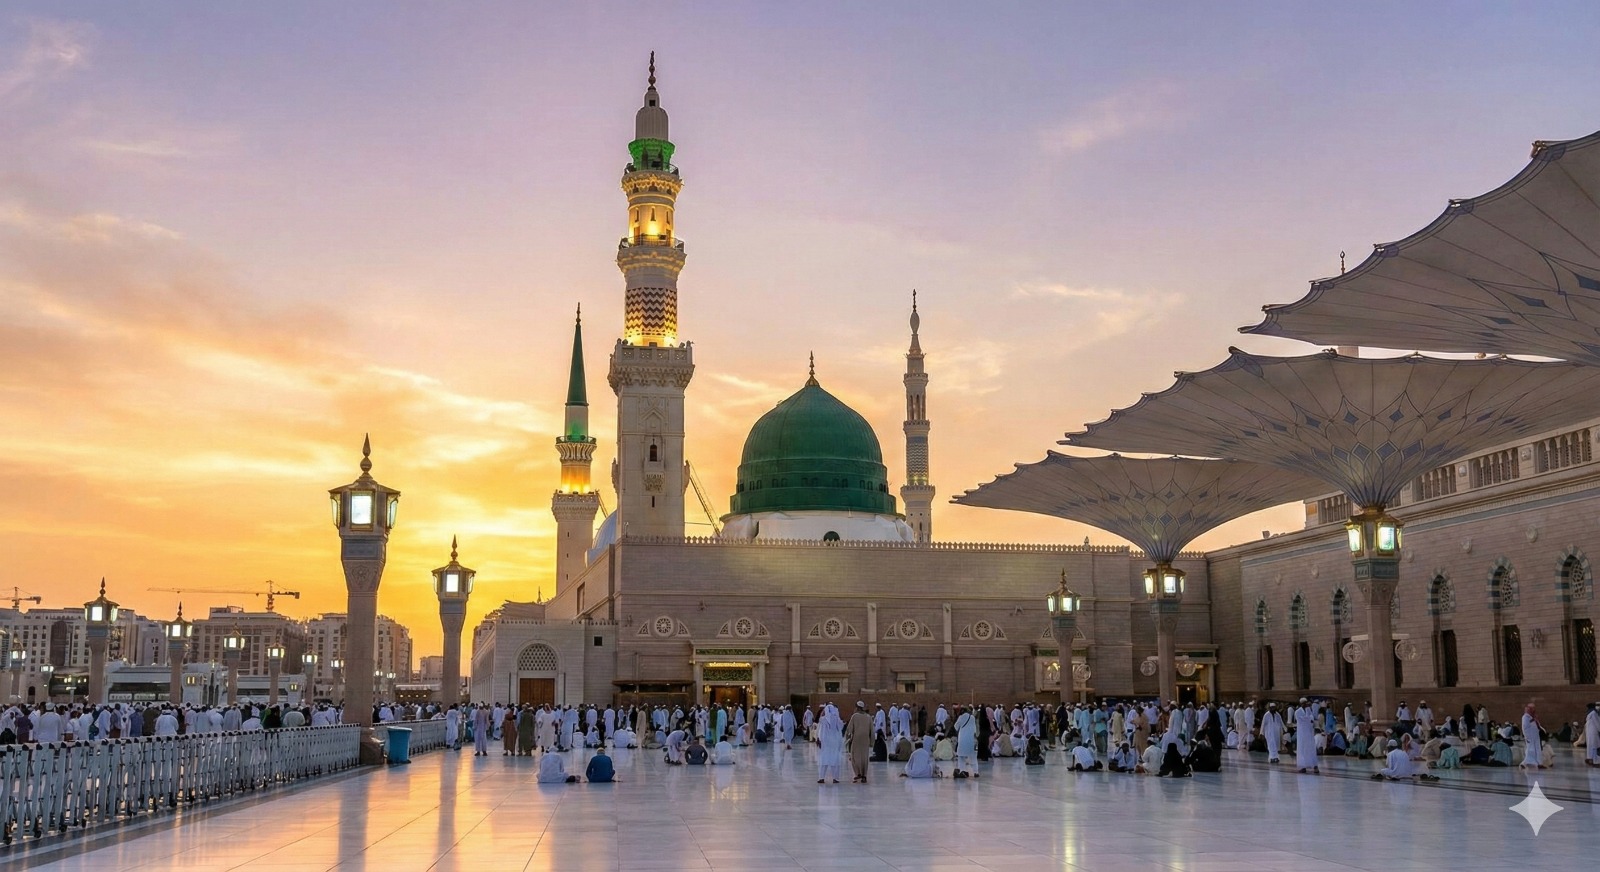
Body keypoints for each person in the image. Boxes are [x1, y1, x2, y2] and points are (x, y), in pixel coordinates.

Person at [845, 702, 874, 783]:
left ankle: (858, 774)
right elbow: (872, 731)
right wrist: (872, 742)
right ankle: (864, 775)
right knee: (864, 757)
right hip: (865, 740)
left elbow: (849, 729)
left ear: (857, 707)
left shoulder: (854, 716)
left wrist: (847, 738)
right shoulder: (868, 717)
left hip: (856, 739)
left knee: (855, 756)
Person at [816, 705, 845, 784]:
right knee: (835, 760)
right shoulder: (838, 720)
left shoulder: (823, 719)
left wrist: (818, 739)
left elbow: (820, 730)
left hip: (826, 743)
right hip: (835, 743)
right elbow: (841, 728)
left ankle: (821, 778)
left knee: (824, 760)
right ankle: (836, 778)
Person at [1293, 699, 1320, 775]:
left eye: (1306, 703)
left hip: (1309, 733)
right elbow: (1302, 720)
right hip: (1302, 734)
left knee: (1311, 749)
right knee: (1302, 749)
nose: (1305, 704)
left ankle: (1315, 766)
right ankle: (1303, 767)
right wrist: (1309, 719)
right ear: (1301, 704)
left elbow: (1312, 718)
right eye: (1303, 703)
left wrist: (1309, 719)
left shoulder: (1309, 710)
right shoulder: (1297, 712)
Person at [953, 706, 979, 778]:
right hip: (971, 739)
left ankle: (963, 771)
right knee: (973, 756)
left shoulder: (961, 717)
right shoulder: (972, 717)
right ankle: (976, 772)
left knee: (961, 757)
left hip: (962, 739)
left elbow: (956, 726)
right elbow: (974, 730)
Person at [1520, 704, 1547, 769]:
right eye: (1532, 708)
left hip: (1536, 737)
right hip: (1530, 737)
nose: (1534, 710)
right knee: (1530, 750)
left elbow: (1538, 725)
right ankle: (1524, 763)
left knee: (1538, 750)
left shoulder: (1532, 717)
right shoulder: (1525, 717)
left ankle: (1539, 764)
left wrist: (1535, 719)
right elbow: (1525, 727)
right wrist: (1526, 736)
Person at [1585, 702, 1600, 767]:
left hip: (1590, 733)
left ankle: (1590, 759)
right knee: (1595, 747)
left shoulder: (1589, 713)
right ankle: (1595, 762)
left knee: (1591, 746)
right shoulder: (1594, 713)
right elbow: (1597, 723)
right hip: (1594, 733)